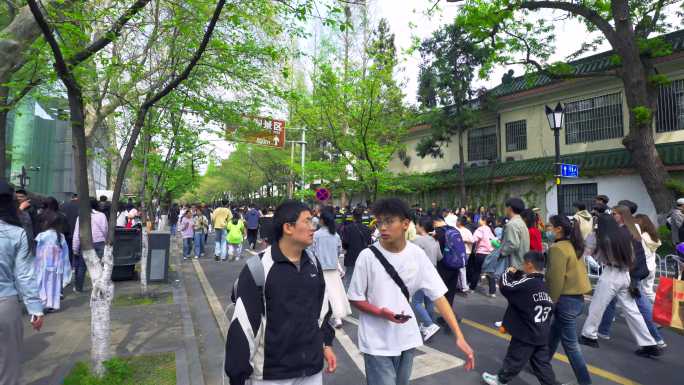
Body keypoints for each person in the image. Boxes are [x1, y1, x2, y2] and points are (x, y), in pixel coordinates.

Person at [348, 198, 474, 385]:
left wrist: (459, 336)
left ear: (405, 224)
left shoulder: (417, 255)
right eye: (380, 222)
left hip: (406, 338)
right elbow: (355, 299)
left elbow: (439, 296)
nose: (383, 227)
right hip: (376, 342)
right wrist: (380, 312)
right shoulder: (367, 257)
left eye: (389, 221)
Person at [225, 200, 336, 385]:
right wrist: (238, 375)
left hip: (311, 370)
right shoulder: (258, 268)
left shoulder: (313, 263)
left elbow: (322, 311)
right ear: (288, 227)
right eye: (307, 221)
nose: (313, 228)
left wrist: (326, 345)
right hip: (271, 375)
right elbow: (243, 327)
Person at [579, 213, 661, 357]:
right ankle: (649, 344)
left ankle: (589, 335)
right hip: (626, 275)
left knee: (597, 306)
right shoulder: (625, 234)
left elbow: (588, 253)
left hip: (610, 273)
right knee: (633, 311)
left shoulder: (599, 236)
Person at [482, 252, 558, 385]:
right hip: (541, 332)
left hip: (526, 332)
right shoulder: (544, 285)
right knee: (542, 364)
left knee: (515, 358)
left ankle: (500, 379)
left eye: (524, 264)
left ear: (529, 265)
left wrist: (507, 272)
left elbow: (506, 287)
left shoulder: (528, 282)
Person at [0, 181, 44, 385]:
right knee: (8, 369)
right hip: (5, 304)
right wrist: (35, 308)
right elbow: (24, 275)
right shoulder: (16, 233)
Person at [545, 215, 592, 385]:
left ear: (558, 229)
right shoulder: (573, 245)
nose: (547, 229)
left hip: (565, 299)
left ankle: (585, 382)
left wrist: (551, 301)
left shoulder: (557, 248)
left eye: (549, 226)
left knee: (571, 346)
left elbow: (555, 279)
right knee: (553, 334)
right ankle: (541, 364)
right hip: (576, 299)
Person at [311, 207, 350, 328]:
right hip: (333, 269)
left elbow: (311, 251)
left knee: (321, 295)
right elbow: (339, 251)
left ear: (322, 221)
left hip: (320, 269)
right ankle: (338, 319)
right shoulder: (336, 235)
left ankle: (320, 319)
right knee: (335, 294)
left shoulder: (316, 235)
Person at [411, 216, 443, 341]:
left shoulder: (416, 241)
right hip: (433, 273)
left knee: (416, 302)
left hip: (420, 274)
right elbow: (440, 257)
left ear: (421, 227)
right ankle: (428, 325)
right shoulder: (434, 240)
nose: (415, 227)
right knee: (429, 301)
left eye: (417, 225)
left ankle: (429, 325)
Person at [34, 210, 71, 311]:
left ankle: (42, 304)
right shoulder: (60, 236)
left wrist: (35, 266)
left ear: (46, 223)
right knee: (54, 285)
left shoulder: (42, 236)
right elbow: (65, 254)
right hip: (56, 266)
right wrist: (66, 268)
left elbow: (38, 253)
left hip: (43, 266)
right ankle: (52, 304)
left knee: (42, 284)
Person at [433, 214, 467, 320]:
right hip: (455, 265)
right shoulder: (454, 229)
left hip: (443, 266)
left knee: (442, 294)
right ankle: (449, 315)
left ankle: (448, 317)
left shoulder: (437, 233)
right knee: (451, 292)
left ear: (434, 222)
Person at [72, 197, 108, 292]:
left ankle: (79, 288)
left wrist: (75, 248)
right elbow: (105, 230)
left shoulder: (81, 216)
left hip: (85, 244)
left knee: (81, 267)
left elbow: (77, 233)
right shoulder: (102, 215)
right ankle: (98, 288)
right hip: (100, 243)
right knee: (99, 266)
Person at [341, 207, 372, 289]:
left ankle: (346, 299)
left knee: (348, 277)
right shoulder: (367, 229)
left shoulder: (348, 228)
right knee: (363, 279)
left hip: (351, 256)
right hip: (363, 258)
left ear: (353, 217)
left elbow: (345, 244)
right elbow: (369, 244)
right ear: (362, 216)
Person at [634, 214, 661, 303]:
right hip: (652, 267)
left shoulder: (641, 237)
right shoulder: (652, 236)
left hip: (642, 267)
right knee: (648, 292)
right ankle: (661, 306)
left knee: (638, 292)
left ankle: (656, 308)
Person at [468, 216, 497, 296]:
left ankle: (472, 288)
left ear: (483, 221)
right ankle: (492, 292)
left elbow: (473, 239)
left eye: (480, 219)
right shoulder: (490, 229)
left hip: (481, 253)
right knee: (490, 272)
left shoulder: (480, 229)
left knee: (476, 271)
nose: (478, 220)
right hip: (490, 254)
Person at [500, 198, 530, 270]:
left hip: (514, 266)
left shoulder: (512, 224)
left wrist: (501, 252)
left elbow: (513, 244)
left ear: (509, 209)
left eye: (506, 208)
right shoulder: (521, 222)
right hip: (522, 263)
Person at [455, 215, 474, 294]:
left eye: (457, 221)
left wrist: (463, 241)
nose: (456, 222)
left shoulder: (466, 231)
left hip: (465, 252)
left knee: (462, 269)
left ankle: (464, 287)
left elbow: (472, 241)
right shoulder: (456, 230)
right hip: (460, 252)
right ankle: (460, 285)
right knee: (459, 269)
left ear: (459, 222)